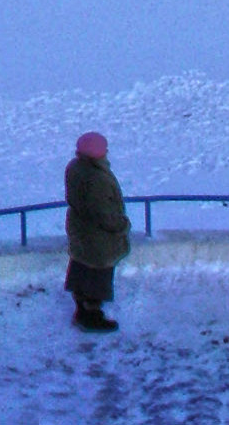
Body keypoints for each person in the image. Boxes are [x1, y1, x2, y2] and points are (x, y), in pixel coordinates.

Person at [64, 130, 130, 332]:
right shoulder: (96, 178)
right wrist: (121, 226)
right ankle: (90, 316)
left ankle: (81, 309)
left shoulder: (75, 168)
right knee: (97, 276)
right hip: (98, 238)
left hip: (81, 232)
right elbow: (103, 213)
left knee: (82, 268)